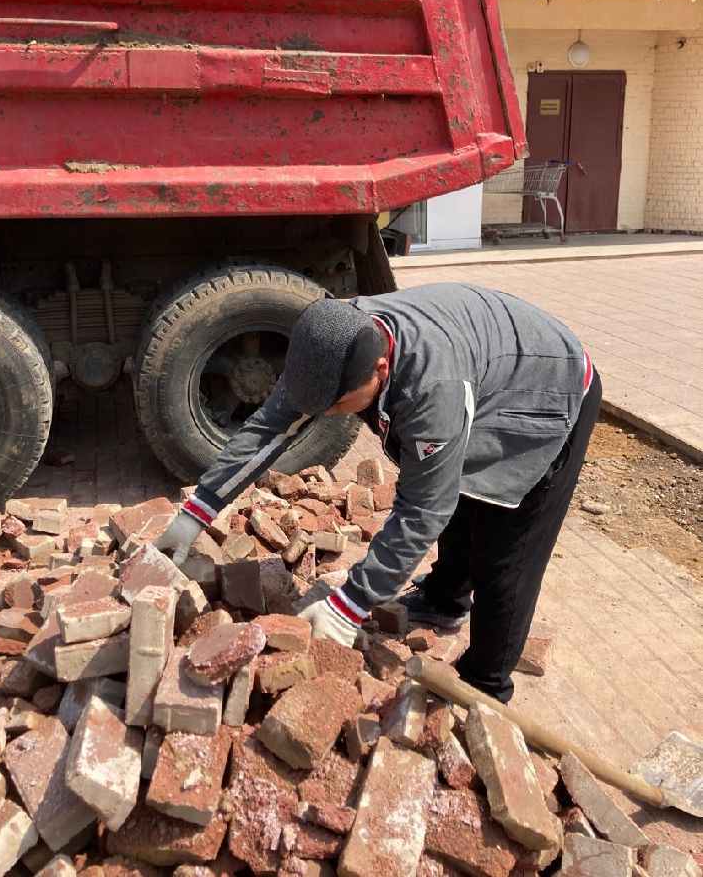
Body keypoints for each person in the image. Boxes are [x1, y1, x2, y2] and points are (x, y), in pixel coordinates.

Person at [157, 283, 602, 703]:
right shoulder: (329, 346)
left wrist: (349, 605)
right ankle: (445, 599)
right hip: (486, 366)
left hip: (546, 393)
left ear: (382, 369)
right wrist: (198, 510)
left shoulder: (432, 387)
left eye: (337, 405)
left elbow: (425, 507)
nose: (326, 414)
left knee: (505, 556)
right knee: (455, 485)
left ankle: (486, 689)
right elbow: (267, 429)